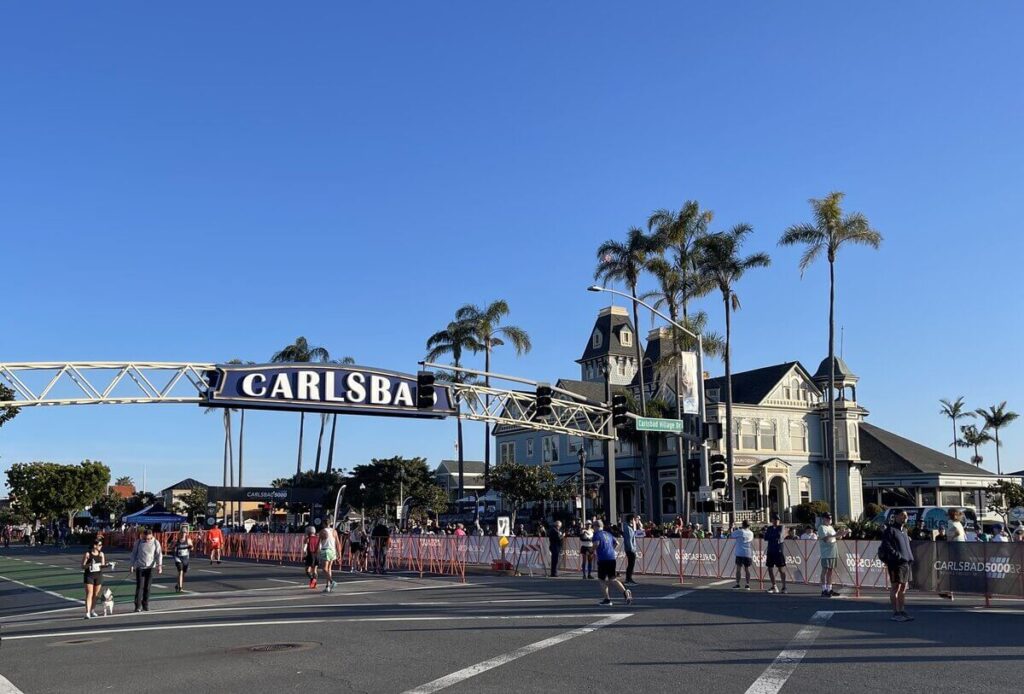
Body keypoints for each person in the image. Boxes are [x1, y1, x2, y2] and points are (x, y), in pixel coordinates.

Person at [879, 509, 915, 622]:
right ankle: (895, 612)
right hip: (896, 563)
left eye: (906, 515)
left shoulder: (904, 530)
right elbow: (886, 545)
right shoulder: (890, 530)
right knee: (896, 587)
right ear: (896, 517)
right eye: (902, 515)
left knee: (903, 587)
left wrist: (909, 557)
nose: (905, 517)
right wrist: (897, 556)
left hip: (906, 563)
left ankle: (902, 610)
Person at [591, 520, 632, 606]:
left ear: (596, 527)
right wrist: (611, 549)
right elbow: (617, 542)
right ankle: (625, 592)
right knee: (612, 578)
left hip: (603, 559)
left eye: (593, 527)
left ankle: (607, 599)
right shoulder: (608, 534)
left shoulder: (597, 535)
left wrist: (591, 551)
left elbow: (596, 544)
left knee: (602, 579)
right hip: (611, 558)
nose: (593, 528)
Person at [129, 528, 163, 612]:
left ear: (152, 536)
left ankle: (145, 604)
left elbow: (159, 554)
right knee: (140, 586)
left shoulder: (155, 542)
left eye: (149, 538)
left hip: (150, 567)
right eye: (145, 538)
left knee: (147, 587)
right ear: (142, 536)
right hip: (140, 567)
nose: (147, 540)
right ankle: (138, 606)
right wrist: (132, 565)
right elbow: (133, 554)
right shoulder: (139, 542)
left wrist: (159, 565)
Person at [817, 513, 846, 597]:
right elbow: (825, 539)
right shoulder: (821, 527)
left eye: (830, 518)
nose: (829, 520)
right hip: (826, 552)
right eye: (827, 519)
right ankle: (824, 589)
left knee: (830, 571)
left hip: (833, 551)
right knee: (825, 570)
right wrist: (836, 535)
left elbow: (836, 537)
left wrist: (841, 534)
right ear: (823, 519)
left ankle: (829, 589)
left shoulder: (831, 527)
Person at [81, 537, 106, 619]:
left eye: (101, 545)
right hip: (89, 576)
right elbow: (82, 566)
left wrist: (109, 565)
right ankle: (87, 612)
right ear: (95, 546)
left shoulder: (101, 554)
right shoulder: (88, 554)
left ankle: (92, 610)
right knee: (89, 593)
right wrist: (89, 564)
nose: (101, 546)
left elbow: (102, 565)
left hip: (98, 575)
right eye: (99, 545)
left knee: (96, 595)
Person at [764, 516, 788, 594]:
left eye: (778, 520)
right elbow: (765, 537)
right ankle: (774, 586)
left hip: (779, 551)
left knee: (781, 569)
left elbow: (779, 536)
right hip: (770, 551)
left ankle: (784, 587)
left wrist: (772, 536)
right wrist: (772, 536)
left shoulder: (781, 527)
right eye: (775, 520)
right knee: (770, 569)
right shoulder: (770, 528)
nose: (777, 521)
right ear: (772, 520)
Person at [731, 520, 754, 590]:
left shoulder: (740, 531)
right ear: (749, 526)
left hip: (739, 553)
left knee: (738, 569)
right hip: (747, 553)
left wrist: (732, 528)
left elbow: (732, 535)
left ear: (742, 525)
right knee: (747, 569)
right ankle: (747, 584)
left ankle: (738, 584)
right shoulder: (751, 533)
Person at [171, 525, 193, 593]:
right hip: (178, 558)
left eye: (185, 532)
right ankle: (180, 587)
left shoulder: (188, 540)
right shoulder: (176, 540)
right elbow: (172, 547)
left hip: (185, 558)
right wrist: (173, 548)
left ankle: (178, 584)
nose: (183, 534)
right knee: (180, 571)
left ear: (186, 533)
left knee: (183, 573)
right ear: (180, 533)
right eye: (182, 532)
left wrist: (190, 547)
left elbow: (192, 548)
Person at [318, 524, 340, 592]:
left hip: (326, 550)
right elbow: (338, 543)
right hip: (333, 550)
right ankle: (327, 586)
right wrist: (339, 553)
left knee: (324, 569)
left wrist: (318, 551)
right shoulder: (334, 531)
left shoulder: (322, 531)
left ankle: (331, 581)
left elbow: (319, 543)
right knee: (329, 569)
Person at [622, 515, 638, 585]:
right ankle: (628, 578)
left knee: (631, 564)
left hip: (631, 548)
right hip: (630, 549)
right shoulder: (627, 528)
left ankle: (629, 578)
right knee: (631, 564)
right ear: (631, 520)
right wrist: (632, 549)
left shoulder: (629, 527)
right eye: (633, 520)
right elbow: (628, 539)